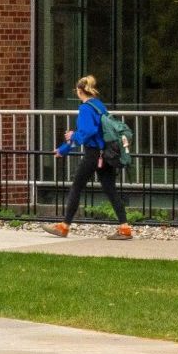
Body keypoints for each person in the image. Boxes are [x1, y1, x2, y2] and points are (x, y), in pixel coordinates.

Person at [52, 75, 136, 240]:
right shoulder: (99, 105)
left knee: (77, 186)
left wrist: (71, 137)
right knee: (110, 189)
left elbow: (86, 132)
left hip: (93, 153)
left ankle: (64, 226)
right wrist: (65, 147)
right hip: (106, 152)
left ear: (79, 91)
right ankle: (125, 227)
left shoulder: (85, 108)